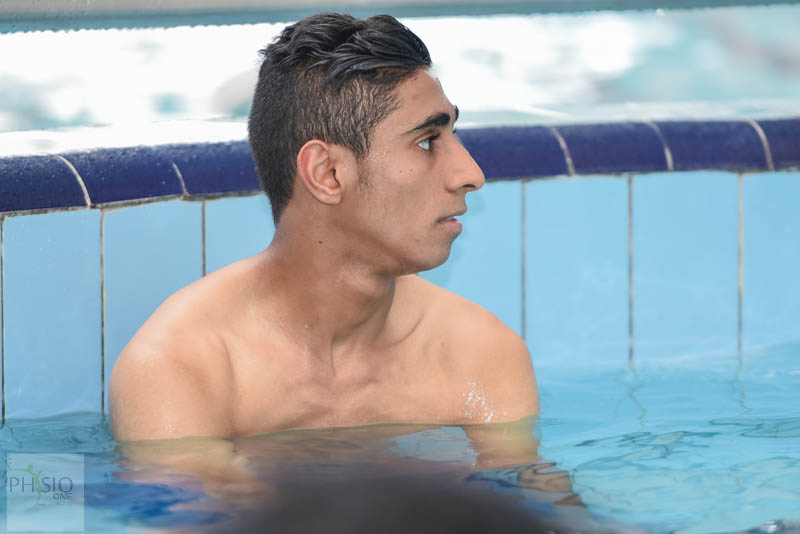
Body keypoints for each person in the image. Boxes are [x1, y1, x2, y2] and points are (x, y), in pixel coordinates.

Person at [110, 12, 538, 442]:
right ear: (328, 174)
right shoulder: (182, 368)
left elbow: (526, 486)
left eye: (452, 135)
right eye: (426, 141)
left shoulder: (481, 356)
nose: (471, 174)